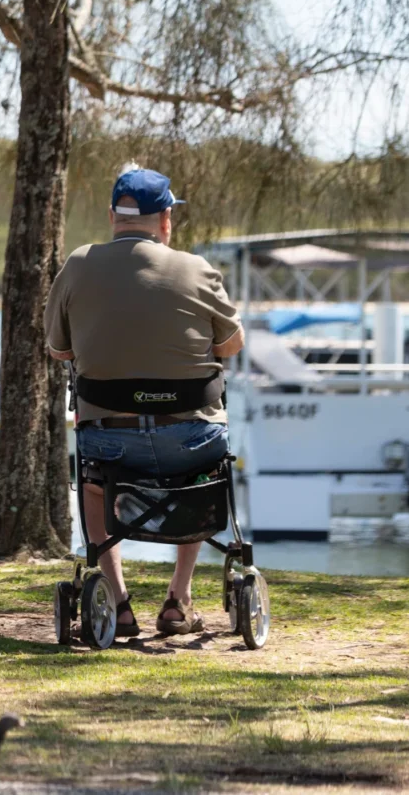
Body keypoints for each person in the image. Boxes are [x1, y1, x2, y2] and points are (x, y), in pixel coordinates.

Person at [45, 165, 245, 638]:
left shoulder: (78, 264)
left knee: (95, 485)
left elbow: (58, 350)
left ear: (112, 216)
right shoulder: (196, 268)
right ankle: (178, 598)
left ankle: (117, 602)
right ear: (166, 219)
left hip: (110, 441)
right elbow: (232, 344)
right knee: (202, 477)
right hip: (191, 439)